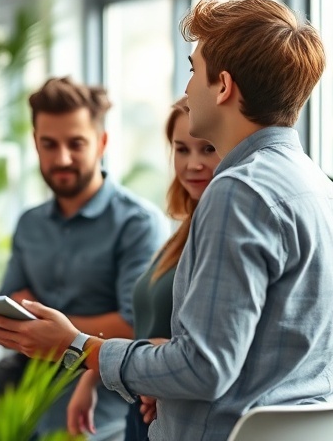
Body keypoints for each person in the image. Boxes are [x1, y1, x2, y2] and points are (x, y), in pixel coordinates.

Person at [0, 0, 333, 441]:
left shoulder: (238, 191)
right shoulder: (329, 195)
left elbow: (205, 370)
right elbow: (268, 359)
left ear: (223, 87)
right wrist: (164, 381)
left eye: (193, 70)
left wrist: (77, 346)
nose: (185, 93)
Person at [0, 78, 168, 441]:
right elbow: (2, 312)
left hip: (102, 379)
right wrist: (41, 326)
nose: (61, 158)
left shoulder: (138, 224)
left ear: (102, 143)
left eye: (76, 144)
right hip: (29, 371)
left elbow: (133, 326)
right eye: (49, 144)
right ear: (35, 144)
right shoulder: (30, 224)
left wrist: (47, 327)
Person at [67, 99, 220, 441]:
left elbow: (203, 349)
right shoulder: (181, 233)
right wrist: (90, 380)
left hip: (174, 411)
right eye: (181, 150)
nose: (193, 164)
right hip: (142, 404)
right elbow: (142, 330)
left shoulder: (219, 239)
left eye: (207, 149)